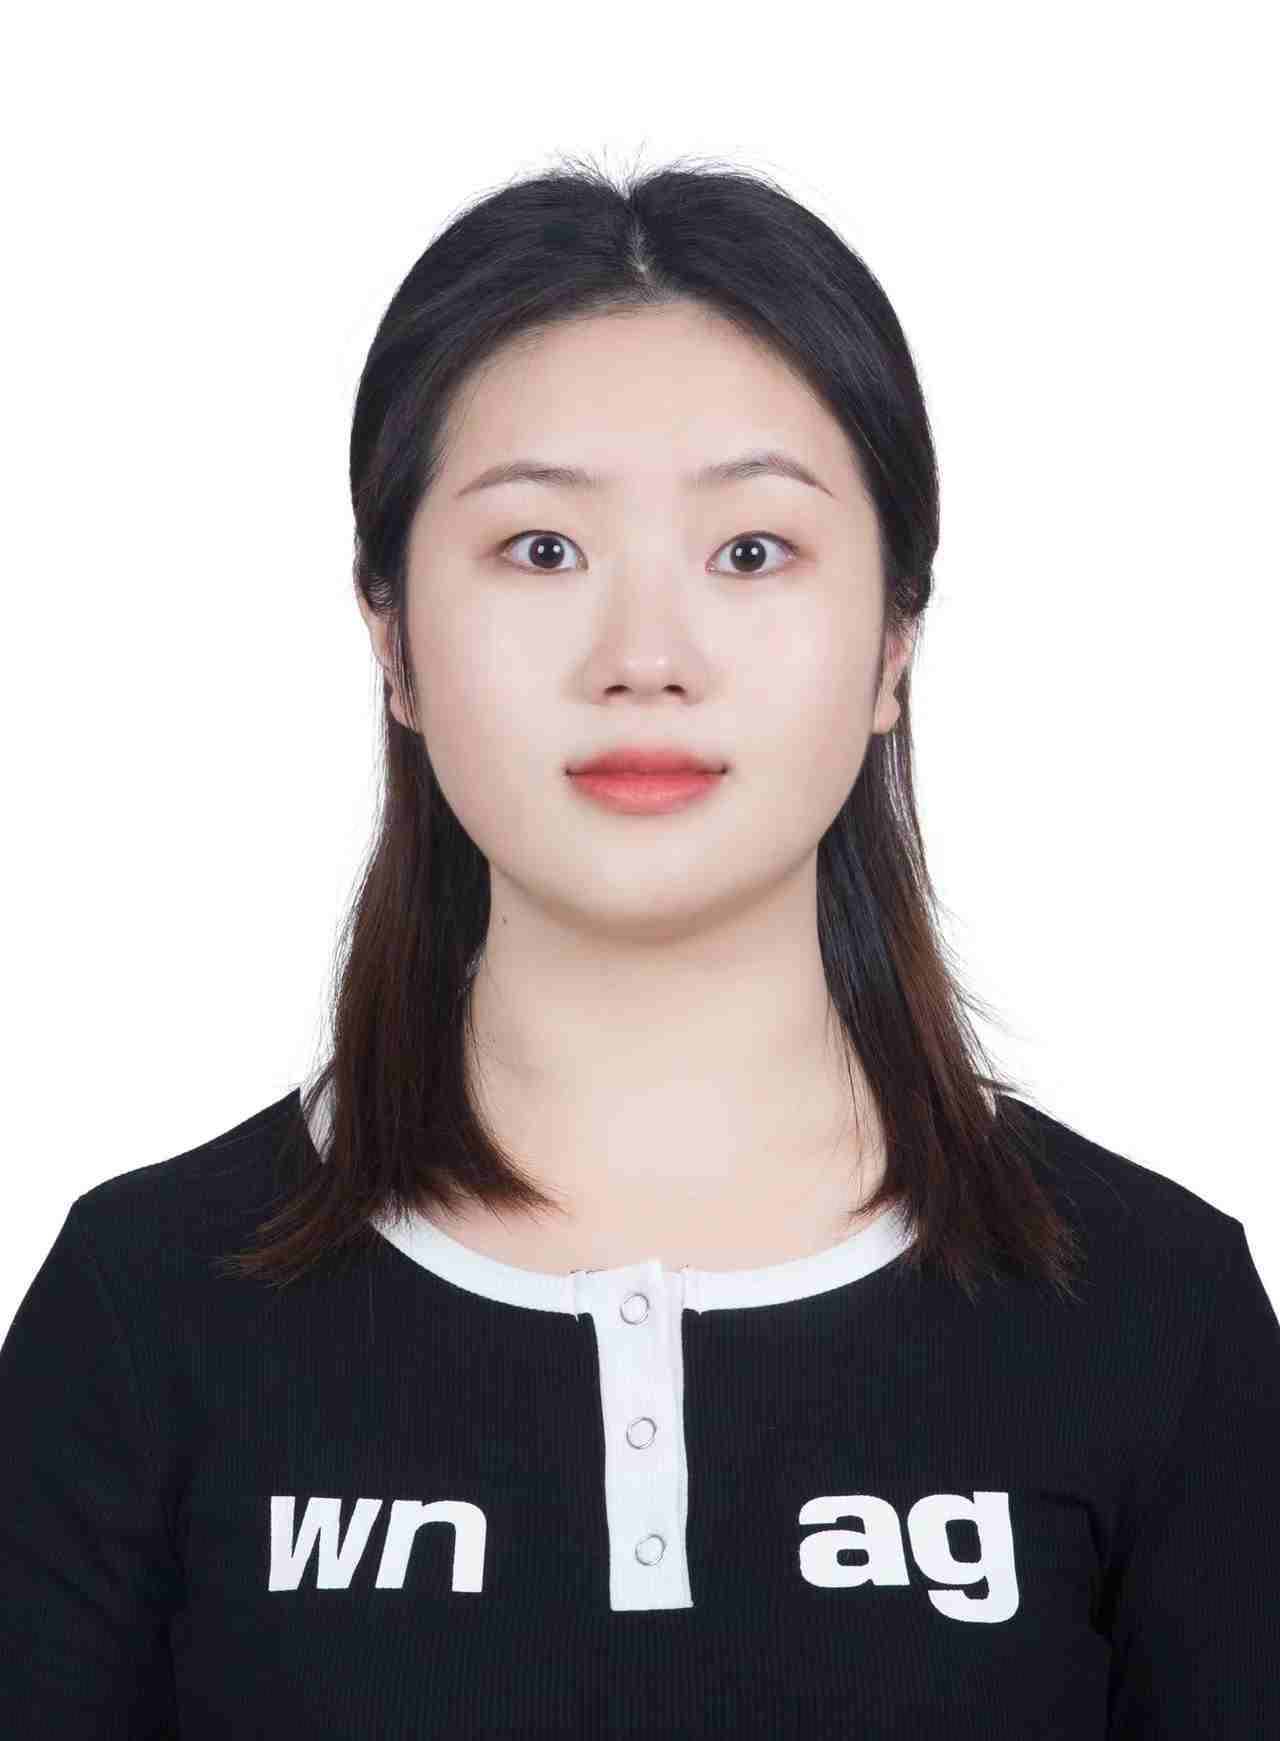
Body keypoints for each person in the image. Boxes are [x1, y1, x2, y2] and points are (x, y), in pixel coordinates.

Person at [2, 150, 1277, 1738]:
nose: (645, 657)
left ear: (894, 642)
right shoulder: (140, 1314)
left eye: (751, 551)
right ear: (391, 638)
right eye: (543, 549)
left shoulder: (1159, 1314)